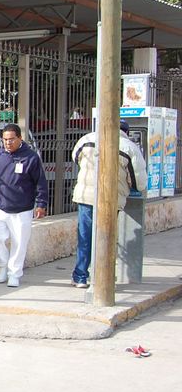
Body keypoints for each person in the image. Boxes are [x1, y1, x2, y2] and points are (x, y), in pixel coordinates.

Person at [69, 119, 147, 288]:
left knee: (85, 237)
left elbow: (75, 157)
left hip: (86, 196)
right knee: (106, 237)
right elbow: (139, 182)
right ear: (126, 131)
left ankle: (80, 276)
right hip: (111, 199)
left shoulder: (86, 139)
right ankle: (104, 277)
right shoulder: (130, 147)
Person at [0, 124, 49, 288]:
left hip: (23, 209)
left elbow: (40, 183)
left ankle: (14, 274)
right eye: (5, 139)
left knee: (19, 243)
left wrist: (41, 204)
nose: (8, 143)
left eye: (11, 139)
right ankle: (2, 265)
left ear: (20, 138)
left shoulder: (31, 158)